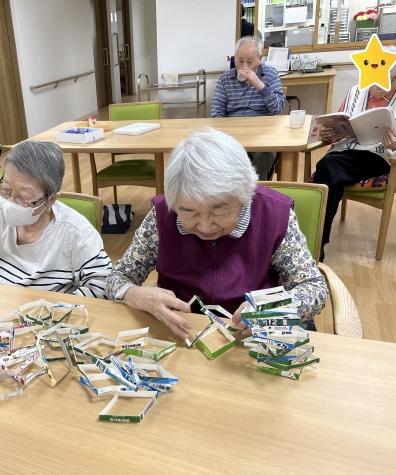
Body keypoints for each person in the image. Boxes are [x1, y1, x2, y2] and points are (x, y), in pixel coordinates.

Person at [106, 128, 328, 339]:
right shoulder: (163, 214)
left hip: (251, 335)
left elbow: (313, 287)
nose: (205, 226)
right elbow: (117, 278)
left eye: (219, 210)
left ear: (245, 196)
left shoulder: (274, 214)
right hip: (184, 332)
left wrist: (276, 308)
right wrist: (133, 294)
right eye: (189, 212)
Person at [0, 140, 112, 298]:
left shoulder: (76, 234)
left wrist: (59, 312)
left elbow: (102, 285)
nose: (10, 202)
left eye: (25, 196)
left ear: (50, 200)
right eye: (6, 189)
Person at [313, 69, 396, 262]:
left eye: (383, 80)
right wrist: (327, 134)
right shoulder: (355, 91)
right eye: (372, 78)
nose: (375, 85)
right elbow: (338, 124)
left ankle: (315, 242)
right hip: (343, 152)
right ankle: (315, 241)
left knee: (327, 168)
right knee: (330, 171)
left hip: (378, 156)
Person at [211, 36, 285, 181]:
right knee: (219, 155)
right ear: (234, 59)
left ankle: (260, 191)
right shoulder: (225, 78)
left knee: (266, 153)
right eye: (240, 61)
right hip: (233, 135)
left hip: (263, 134)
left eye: (250, 62)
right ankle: (234, 191)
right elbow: (215, 114)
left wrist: (258, 84)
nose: (244, 66)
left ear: (260, 59)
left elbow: (278, 107)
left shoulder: (270, 74)